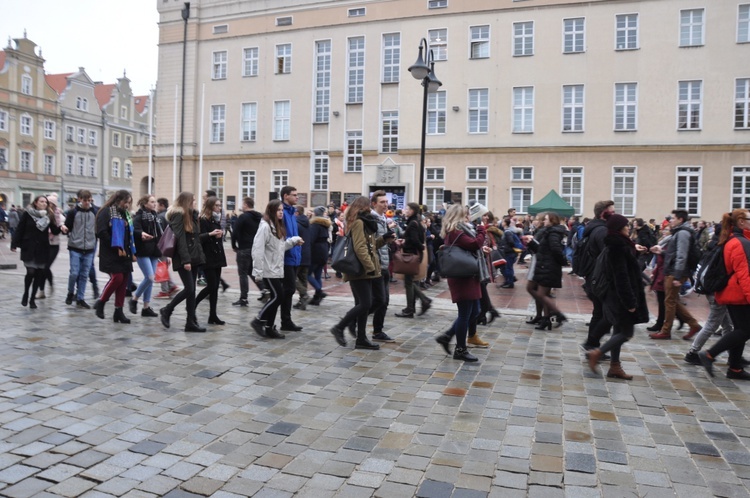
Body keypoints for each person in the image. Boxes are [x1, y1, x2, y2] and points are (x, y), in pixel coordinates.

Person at [586, 214, 649, 380]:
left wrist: (636, 252)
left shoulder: (620, 245)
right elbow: (621, 277)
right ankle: (597, 353)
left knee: (618, 330)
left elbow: (628, 268)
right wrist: (629, 302)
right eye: (626, 226)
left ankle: (615, 367)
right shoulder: (617, 247)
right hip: (619, 297)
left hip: (616, 297)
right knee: (626, 332)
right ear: (620, 228)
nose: (629, 228)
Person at [329, 196, 393, 349]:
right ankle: (340, 327)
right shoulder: (358, 223)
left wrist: (384, 239)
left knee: (368, 303)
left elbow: (370, 246)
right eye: (368, 207)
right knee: (365, 303)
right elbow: (360, 248)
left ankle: (361, 339)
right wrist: (370, 267)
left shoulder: (366, 223)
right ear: (363, 207)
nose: (370, 210)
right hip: (359, 270)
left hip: (365, 269)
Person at [698, 209, 750, 380]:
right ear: (741, 222)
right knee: (744, 330)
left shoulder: (734, 240)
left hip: (734, 293)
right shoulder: (740, 242)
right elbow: (745, 274)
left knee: (741, 330)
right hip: (739, 294)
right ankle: (710, 354)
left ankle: (735, 368)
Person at [434, 204, 484, 362]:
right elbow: (475, 244)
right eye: (466, 214)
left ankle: (447, 336)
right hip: (462, 276)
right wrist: (482, 230)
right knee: (465, 314)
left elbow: (469, 247)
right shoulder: (457, 231)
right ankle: (460, 349)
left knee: (474, 310)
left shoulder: (460, 230)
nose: (469, 217)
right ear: (459, 216)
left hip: (467, 274)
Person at [251, 199, 303, 339]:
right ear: (271, 211)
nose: (281, 213)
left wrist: (293, 241)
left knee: (277, 297)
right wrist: (258, 271)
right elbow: (257, 249)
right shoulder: (265, 227)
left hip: (276, 268)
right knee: (278, 296)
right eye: (278, 210)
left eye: (281, 210)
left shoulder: (277, 227)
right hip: (268, 269)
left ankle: (269, 328)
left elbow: (280, 248)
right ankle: (258, 320)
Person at [648, 209, 702, 340]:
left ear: (680, 220)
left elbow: (682, 255)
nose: (670, 220)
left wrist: (677, 276)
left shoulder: (683, 233)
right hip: (673, 270)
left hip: (675, 271)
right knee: (672, 300)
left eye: (673, 218)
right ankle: (693, 324)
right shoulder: (679, 232)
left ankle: (666, 331)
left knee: (670, 302)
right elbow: (674, 254)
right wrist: (661, 252)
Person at [160, 192, 207, 333]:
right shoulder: (178, 215)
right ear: (186, 201)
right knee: (189, 289)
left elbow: (195, 238)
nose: (195, 202)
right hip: (183, 258)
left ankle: (190, 322)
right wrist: (186, 260)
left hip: (193, 257)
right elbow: (180, 239)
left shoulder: (191, 215)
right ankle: (167, 310)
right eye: (193, 200)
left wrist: (199, 258)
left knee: (192, 292)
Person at [11, 195, 61, 308]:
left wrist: (63, 228)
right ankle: (25, 294)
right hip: (29, 247)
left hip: (42, 248)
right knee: (30, 272)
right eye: (42, 201)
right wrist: (14, 244)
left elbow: (54, 230)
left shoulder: (49, 216)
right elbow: (20, 229)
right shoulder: (27, 214)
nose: (44, 203)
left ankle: (32, 299)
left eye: (45, 202)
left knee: (38, 274)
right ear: (36, 203)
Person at [93, 190, 135, 323]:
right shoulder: (106, 212)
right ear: (118, 200)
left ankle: (119, 311)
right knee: (117, 278)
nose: (127, 205)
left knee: (124, 282)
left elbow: (130, 232)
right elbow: (101, 232)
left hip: (125, 252)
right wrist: (115, 245)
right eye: (125, 202)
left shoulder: (125, 214)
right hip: (111, 252)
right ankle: (101, 301)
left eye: (129, 202)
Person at [580, 200, 616, 353]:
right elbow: (608, 254)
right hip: (601, 277)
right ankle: (592, 343)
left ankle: (591, 344)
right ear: (603, 213)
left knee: (599, 312)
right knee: (608, 313)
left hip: (594, 276)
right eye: (612, 212)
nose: (614, 215)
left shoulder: (594, 228)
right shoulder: (601, 231)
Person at [525, 212, 568, 330]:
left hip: (548, 266)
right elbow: (541, 249)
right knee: (541, 293)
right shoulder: (547, 231)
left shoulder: (552, 233)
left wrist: (562, 262)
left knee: (541, 294)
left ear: (552, 221)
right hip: (544, 265)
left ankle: (557, 314)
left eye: (546, 219)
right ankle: (546, 318)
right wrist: (531, 243)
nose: (544, 221)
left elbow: (555, 250)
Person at [394, 203, 431, 318]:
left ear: (413, 210)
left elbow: (415, 240)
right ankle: (412, 307)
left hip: (411, 255)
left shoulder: (413, 223)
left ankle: (419, 303)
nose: (405, 210)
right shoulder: (415, 222)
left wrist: (409, 243)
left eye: (408, 209)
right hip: (415, 254)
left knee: (409, 282)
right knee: (411, 281)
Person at [195, 196, 227, 325]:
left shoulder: (215, 219)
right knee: (212, 285)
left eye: (220, 205)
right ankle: (192, 305)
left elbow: (215, 236)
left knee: (214, 289)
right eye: (217, 206)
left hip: (217, 255)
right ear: (210, 207)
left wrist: (220, 234)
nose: (219, 208)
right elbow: (198, 237)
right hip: (207, 257)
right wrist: (211, 234)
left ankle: (213, 315)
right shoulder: (202, 220)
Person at [129, 195, 162, 318]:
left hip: (154, 251)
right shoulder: (139, 216)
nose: (155, 204)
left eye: (155, 202)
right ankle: (134, 299)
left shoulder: (155, 216)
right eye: (152, 202)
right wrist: (141, 233)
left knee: (150, 280)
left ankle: (146, 308)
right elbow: (134, 230)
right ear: (145, 203)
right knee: (149, 277)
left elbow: (160, 232)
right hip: (143, 250)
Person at [64, 190, 97, 308]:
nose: (87, 203)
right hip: (75, 246)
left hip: (89, 247)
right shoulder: (73, 212)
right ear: (79, 200)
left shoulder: (95, 211)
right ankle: (70, 292)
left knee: (84, 274)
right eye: (85, 200)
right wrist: (64, 228)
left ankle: (80, 298)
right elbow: (67, 227)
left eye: (89, 200)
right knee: (74, 273)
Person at [231, 196, 266, 307]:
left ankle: (244, 298)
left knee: (243, 274)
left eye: (242, 203)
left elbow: (235, 232)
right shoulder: (260, 217)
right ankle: (264, 290)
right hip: (257, 249)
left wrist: (233, 245)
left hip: (244, 248)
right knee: (252, 271)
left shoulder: (243, 217)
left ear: (246, 204)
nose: (242, 205)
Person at [280, 186, 304, 331]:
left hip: (294, 256)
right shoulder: (282, 213)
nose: (297, 197)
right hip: (285, 257)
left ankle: (286, 320)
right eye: (294, 195)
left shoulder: (292, 213)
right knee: (287, 290)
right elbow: (282, 236)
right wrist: (294, 241)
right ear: (285, 196)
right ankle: (280, 319)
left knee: (289, 290)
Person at [36, 193, 65, 299]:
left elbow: (59, 228)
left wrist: (62, 228)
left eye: (52, 204)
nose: (50, 206)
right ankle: (42, 291)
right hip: (43, 244)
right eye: (49, 204)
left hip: (54, 245)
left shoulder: (58, 215)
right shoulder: (42, 214)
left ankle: (50, 284)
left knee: (45, 267)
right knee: (41, 268)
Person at [154, 197, 179, 299]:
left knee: (161, 267)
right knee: (162, 266)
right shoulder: (169, 215)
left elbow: (159, 232)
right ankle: (171, 286)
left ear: (162, 205)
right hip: (168, 244)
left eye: (157, 204)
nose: (156, 206)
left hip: (161, 244)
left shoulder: (160, 217)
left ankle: (165, 290)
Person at [307, 205, 331, 306]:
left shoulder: (315, 225)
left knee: (307, 274)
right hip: (324, 250)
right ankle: (316, 298)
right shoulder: (325, 224)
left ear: (315, 213)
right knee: (317, 274)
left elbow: (311, 239)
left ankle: (319, 291)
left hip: (316, 251)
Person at [293, 205, 312, 310]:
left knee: (293, 277)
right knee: (303, 277)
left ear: (296, 213)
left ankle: (304, 294)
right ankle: (302, 301)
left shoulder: (296, 224)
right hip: (307, 253)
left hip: (299, 253)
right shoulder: (308, 223)